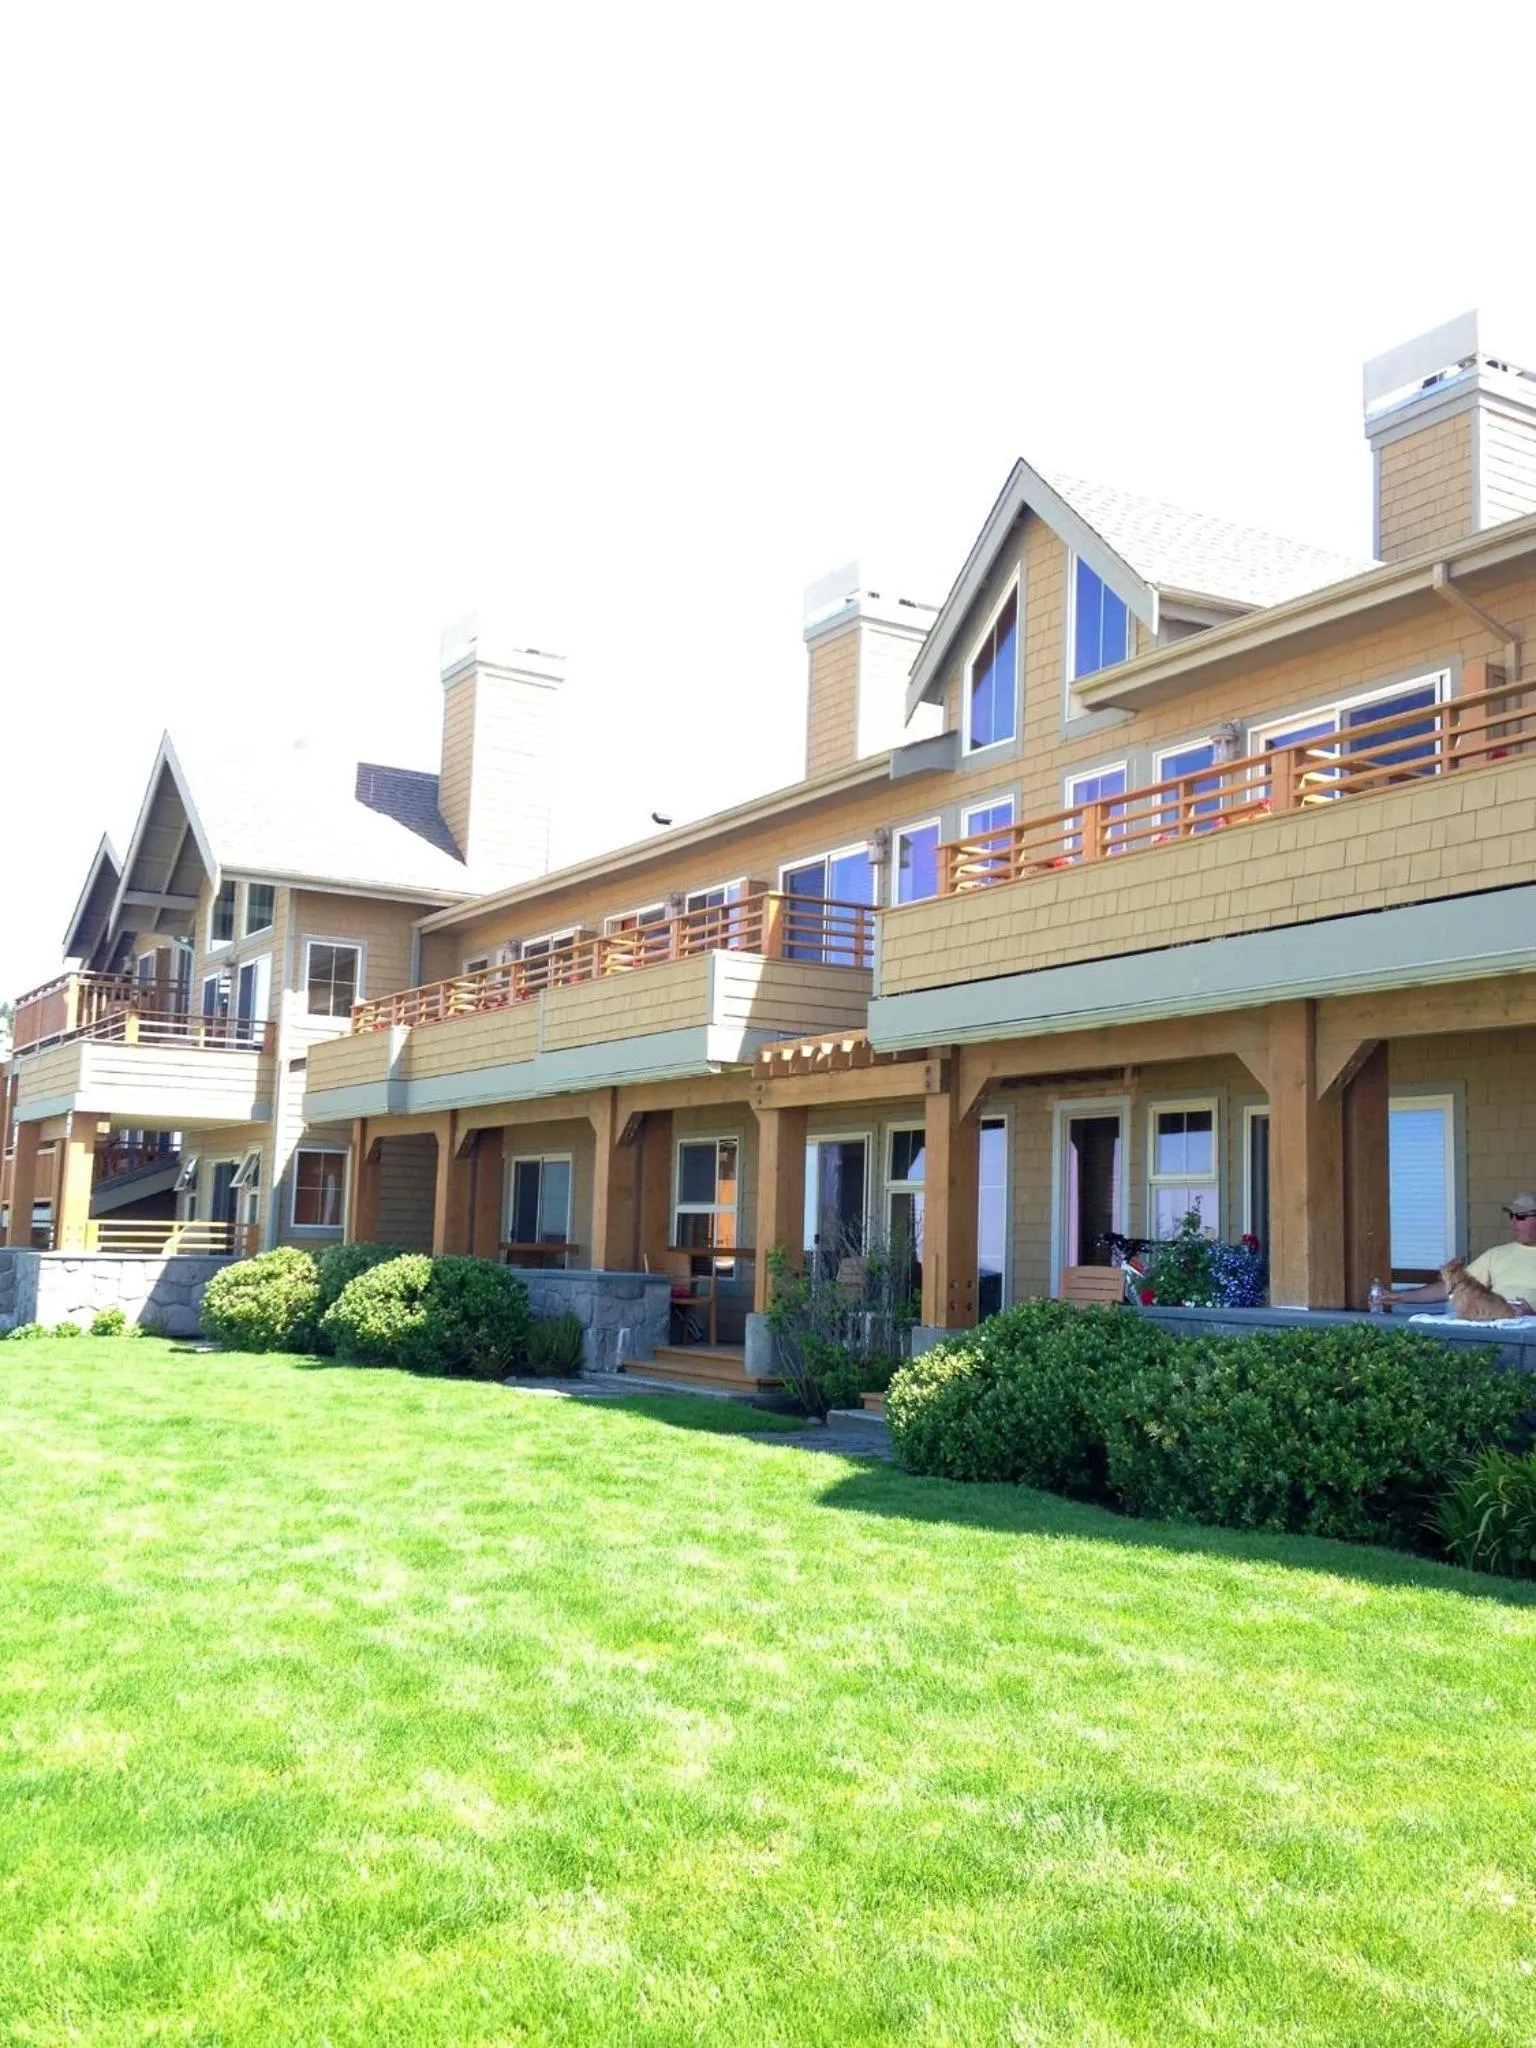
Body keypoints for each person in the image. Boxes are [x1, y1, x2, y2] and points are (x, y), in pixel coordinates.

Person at [1382, 1192, 1536, 1314]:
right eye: (1511, 1216)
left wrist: (1532, 1315)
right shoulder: (1497, 1255)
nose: (1513, 1222)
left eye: (1521, 1216)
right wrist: (1401, 1296)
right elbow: (1453, 1287)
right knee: (1402, 1309)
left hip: (1529, 1330)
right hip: (1496, 1320)